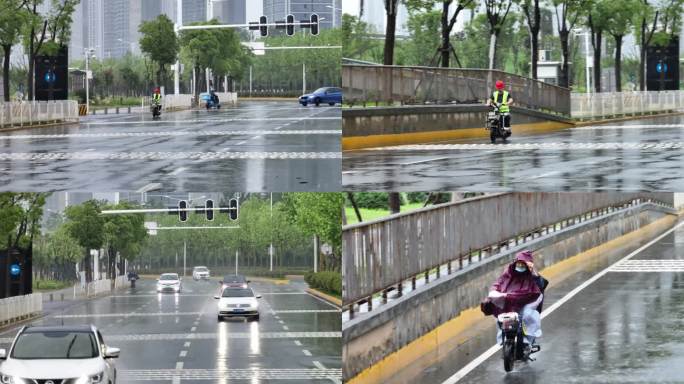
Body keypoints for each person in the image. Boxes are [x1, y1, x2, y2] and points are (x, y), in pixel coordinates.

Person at [487, 250, 546, 347]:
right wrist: (494, 292)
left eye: (523, 265)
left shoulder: (533, 275)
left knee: (526, 314)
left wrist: (533, 273)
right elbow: (499, 283)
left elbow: (539, 287)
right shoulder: (509, 272)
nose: (520, 267)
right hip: (513, 298)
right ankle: (503, 337)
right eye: (519, 264)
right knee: (500, 315)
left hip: (529, 299)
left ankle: (528, 339)